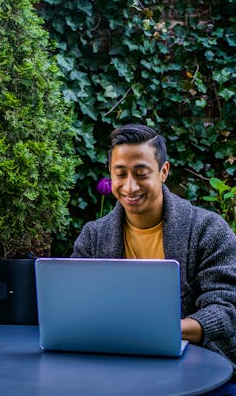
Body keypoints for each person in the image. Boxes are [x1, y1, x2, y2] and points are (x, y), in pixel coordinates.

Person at [71, 123, 236, 393]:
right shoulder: (94, 236)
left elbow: (226, 310)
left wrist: (157, 331)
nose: (129, 186)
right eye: (120, 174)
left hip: (202, 370)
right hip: (115, 369)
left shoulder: (208, 230)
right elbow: (75, 307)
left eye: (141, 173)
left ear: (163, 172)